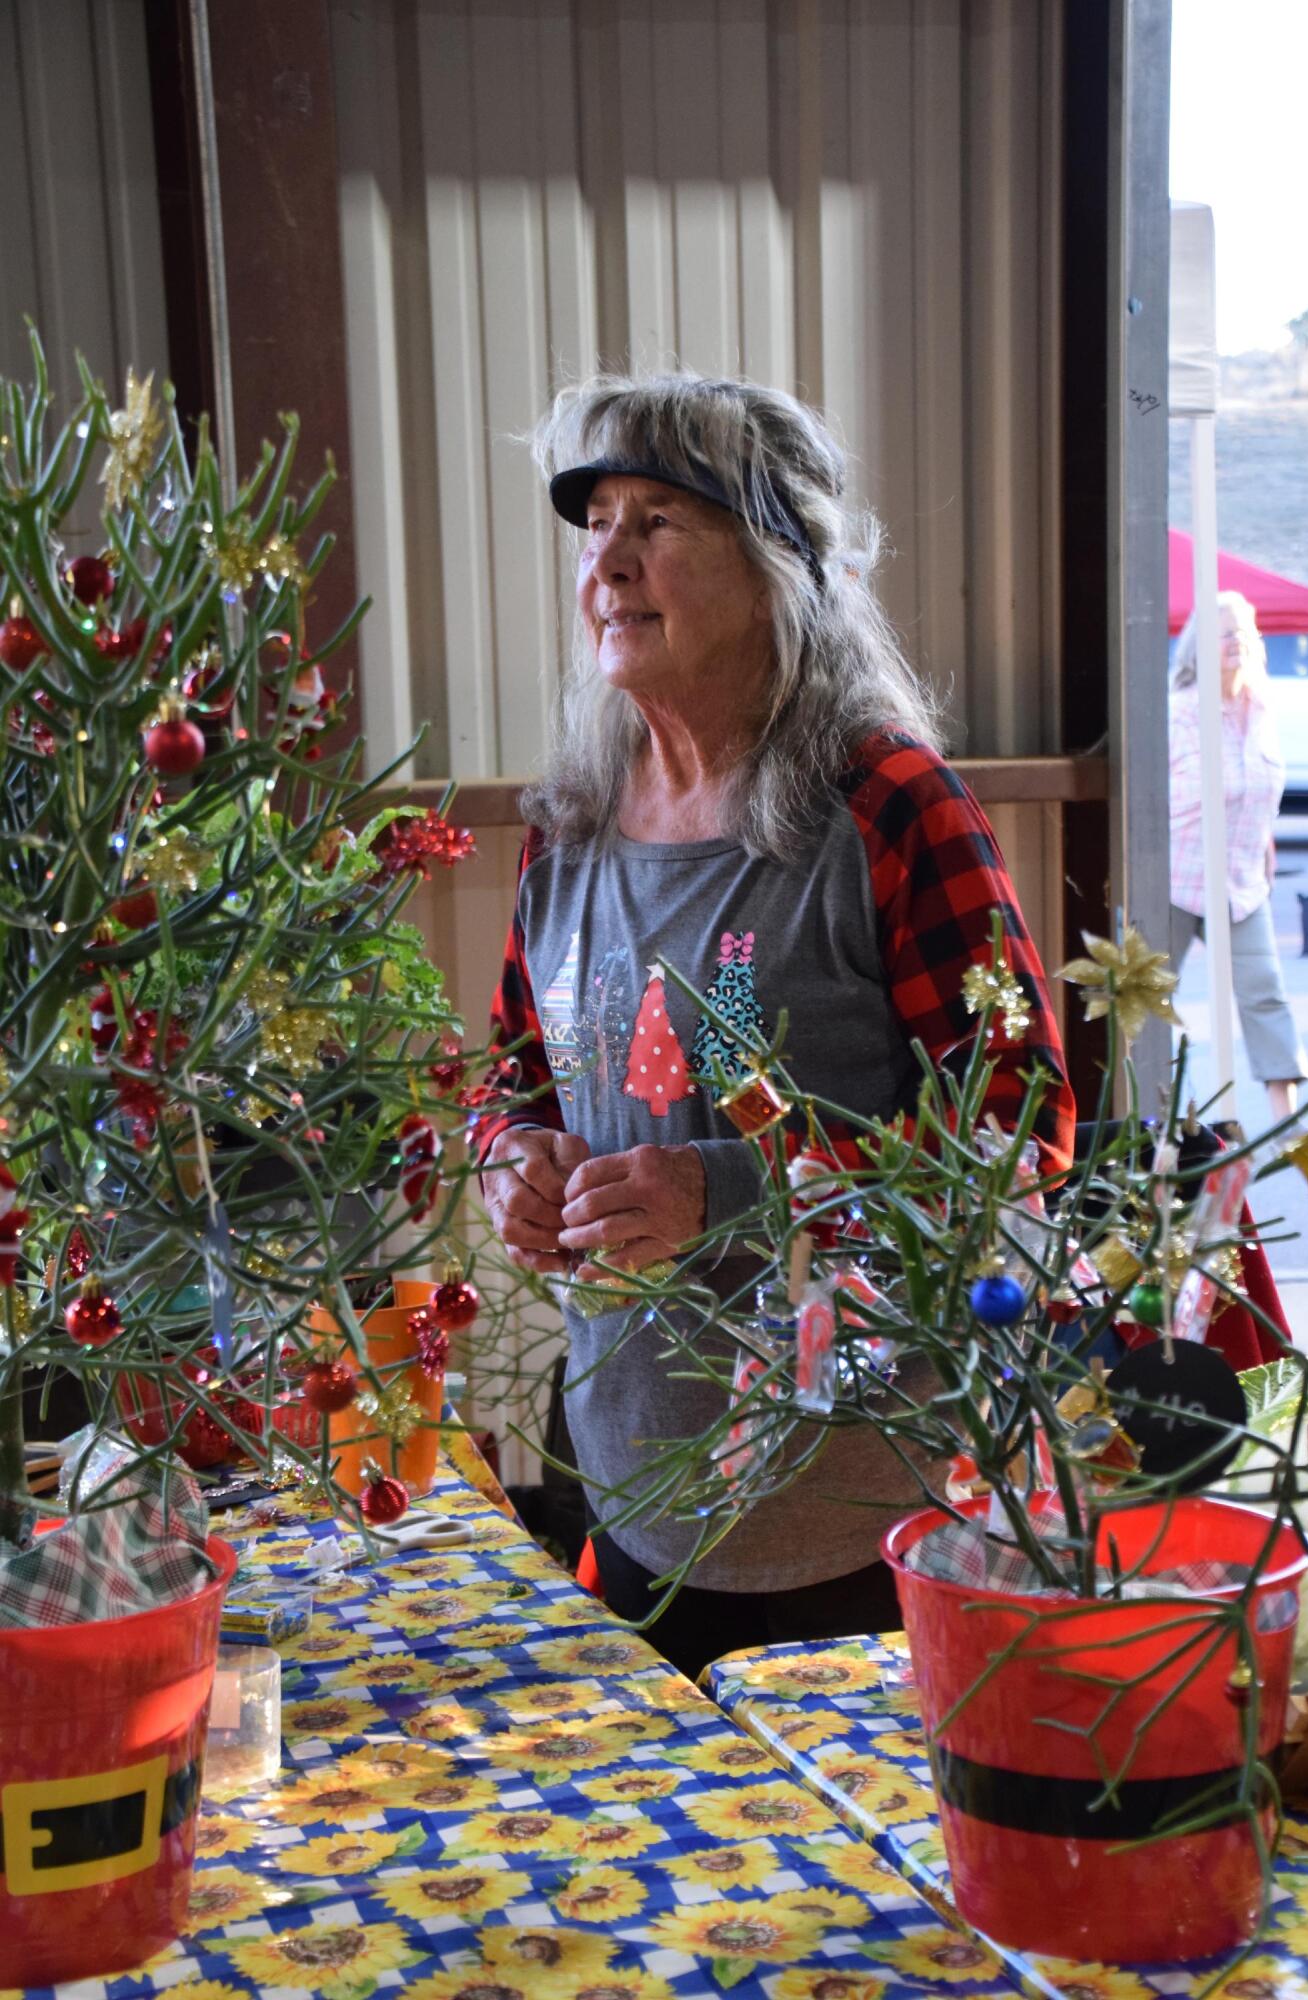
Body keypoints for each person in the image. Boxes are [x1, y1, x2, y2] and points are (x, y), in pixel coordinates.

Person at [477, 373, 1075, 1679]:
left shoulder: (889, 809)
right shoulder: (570, 826)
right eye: (598, 528)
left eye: (660, 523)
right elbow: (512, 1076)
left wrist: (729, 1194)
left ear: (775, 567)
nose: (611, 562)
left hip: (877, 1520)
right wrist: (505, 1157)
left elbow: (1019, 1148)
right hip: (635, 1491)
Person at [1168, 590, 1308, 1123]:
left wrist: (1267, 843)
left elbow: (1261, 787)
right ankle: (1160, 1125)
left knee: (1266, 995)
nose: (1237, 640)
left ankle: (1289, 1129)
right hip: (1179, 878)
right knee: (1147, 999)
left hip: (1242, 880)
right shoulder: (1180, 712)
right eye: (1224, 631)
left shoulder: (1262, 708)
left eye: (1245, 630)